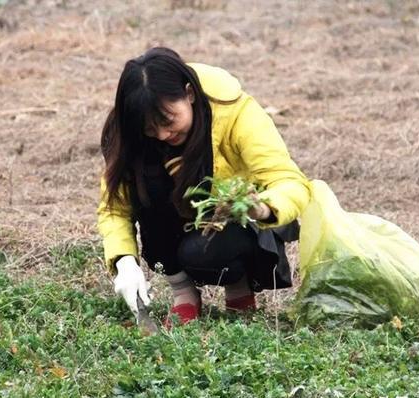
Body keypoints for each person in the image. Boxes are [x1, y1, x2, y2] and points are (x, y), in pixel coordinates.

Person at [97, 47, 311, 325]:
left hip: (236, 223)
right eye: (149, 128)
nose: (162, 134)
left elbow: (290, 181)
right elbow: (115, 207)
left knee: (204, 253)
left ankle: (239, 284)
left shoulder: (235, 112)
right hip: (176, 220)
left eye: (168, 120)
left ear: (189, 94)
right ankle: (183, 291)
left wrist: (263, 208)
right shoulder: (128, 131)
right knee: (145, 186)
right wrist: (124, 260)